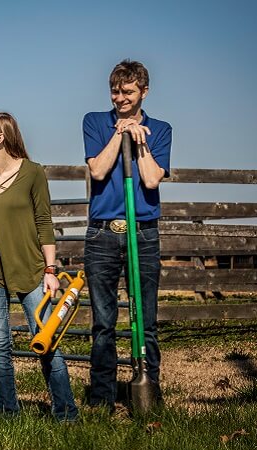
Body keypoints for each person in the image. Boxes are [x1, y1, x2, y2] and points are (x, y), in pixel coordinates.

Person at [0, 111, 78, 421]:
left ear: (0, 137)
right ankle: (6, 410)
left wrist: (51, 271)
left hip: (33, 272)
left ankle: (66, 413)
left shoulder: (33, 173)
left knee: (46, 337)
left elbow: (44, 222)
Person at [82, 59, 172, 412]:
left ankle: (149, 392)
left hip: (144, 233)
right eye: (116, 91)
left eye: (129, 92)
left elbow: (150, 180)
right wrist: (119, 132)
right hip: (103, 233)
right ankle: (102, 396)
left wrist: (140, 141)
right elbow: (98, 169)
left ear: (144, 92)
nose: (121, 98)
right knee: (103, 321)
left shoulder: (160, 129)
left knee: (145, 319)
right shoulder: (95, 122)